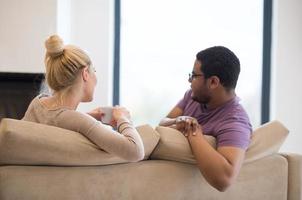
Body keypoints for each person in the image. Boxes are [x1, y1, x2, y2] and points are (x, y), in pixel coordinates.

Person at [22, 35, 144, 162]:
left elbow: (55, 120)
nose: (96, 79)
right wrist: (123, 119)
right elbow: (136, 151)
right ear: (85, 74)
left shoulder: (37, 103)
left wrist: (89, 116)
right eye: (94, 71)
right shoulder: (80, 122)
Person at [159, 46, 252, 191]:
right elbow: (161, 125)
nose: (190, 80)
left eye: (194, 76)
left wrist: (193, 131)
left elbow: (224, 180)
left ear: (213, 82)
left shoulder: (235, 122)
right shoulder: (192, 96)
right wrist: (178, 121)